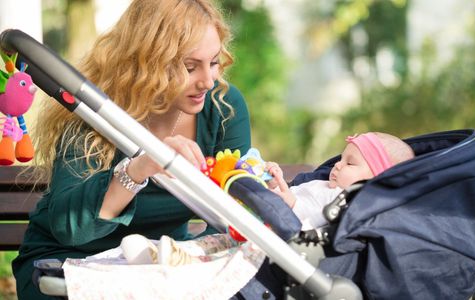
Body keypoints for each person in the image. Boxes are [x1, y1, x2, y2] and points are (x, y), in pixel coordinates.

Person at [11, 0, 251, 299]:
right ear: (147, 61)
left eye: (213, 62)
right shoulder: (97, 111)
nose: (207, 80)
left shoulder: (224, 107)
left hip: (156, 266)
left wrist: (190, 260)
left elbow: (231, 215)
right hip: (69, 264)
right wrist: (138, 169)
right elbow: (71, 229)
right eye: (190, 67)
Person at [266, 132, 414, 230]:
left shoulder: (344, 203)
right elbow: (293, 193)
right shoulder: (323, 184)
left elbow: (313, 224)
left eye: (349, 163)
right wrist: (275, 183)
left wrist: (291, 203)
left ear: (373, 180)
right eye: (341, 158)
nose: (337, 164)